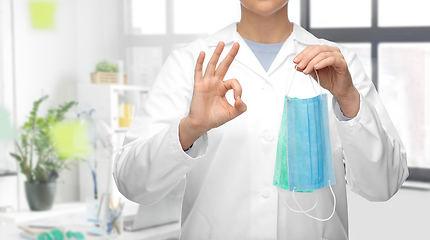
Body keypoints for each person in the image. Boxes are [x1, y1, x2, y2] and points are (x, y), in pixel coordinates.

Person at [113, 1, 408, 239]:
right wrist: (190, 129)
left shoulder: (339, 64)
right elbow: (132, 183)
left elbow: (383, 185)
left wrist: (349, 100)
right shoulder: (190, 62)